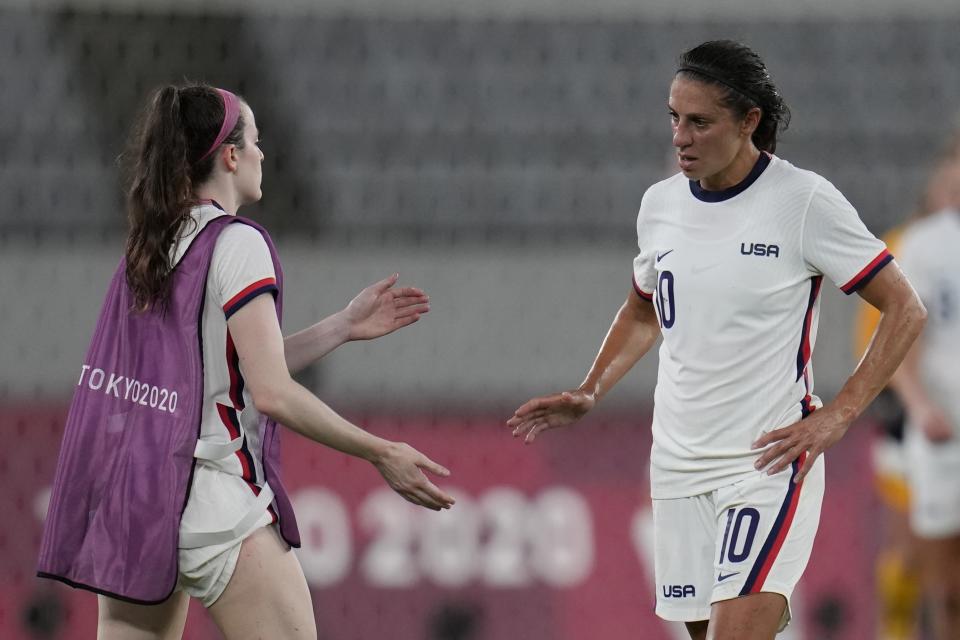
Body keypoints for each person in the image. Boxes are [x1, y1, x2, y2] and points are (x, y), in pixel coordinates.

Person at [507, 40, 926, 640]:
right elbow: (643, 310)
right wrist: (590, 389)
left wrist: (838, 416)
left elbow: (904, 308)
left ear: (749, 120)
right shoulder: (660, 206)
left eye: (700, 122)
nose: (681, 136)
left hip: (766, 461)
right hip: (677, 465)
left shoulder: (801, 201)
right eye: (674, 118)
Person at [36, 83, 455, 640]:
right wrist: (380, 451)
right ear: (231, 156)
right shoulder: (239, 244)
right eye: (255, 141)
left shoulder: (153, 243)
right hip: (215, 505)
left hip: (136, 503)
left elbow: (222, 368)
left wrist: (342, 326)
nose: (263, 153)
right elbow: (271, 392)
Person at [891, 154, 960, 640]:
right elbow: (899, 342)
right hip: (942, 435)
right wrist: (918, 406)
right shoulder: (922, 246)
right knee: (945, 585)